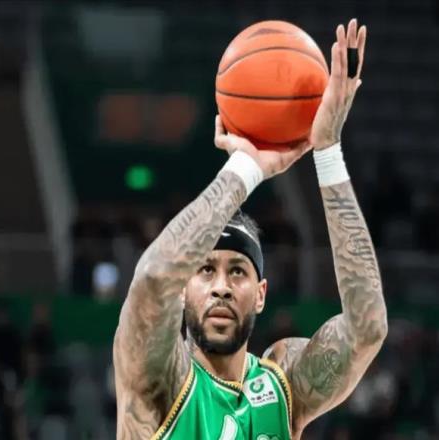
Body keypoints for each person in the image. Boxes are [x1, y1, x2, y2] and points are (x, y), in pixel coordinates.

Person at [113, 19, 388, 439]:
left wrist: (328, 151)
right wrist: (248, 168)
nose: (221, 287)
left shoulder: (283, 383)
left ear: (260, 294)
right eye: (206, 270)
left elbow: (367, 327)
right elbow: (152, 278)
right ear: (183, 289)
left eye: (237, 271)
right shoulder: (161, 378)